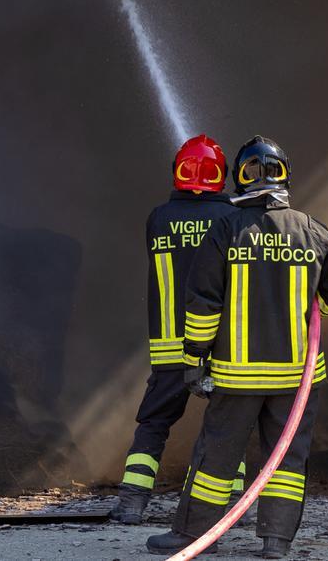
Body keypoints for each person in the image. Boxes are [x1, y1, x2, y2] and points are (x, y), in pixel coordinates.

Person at [146, 136, 328, 559]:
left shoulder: (225, 229)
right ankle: (276, 542)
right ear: (286, 177)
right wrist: (309, 311)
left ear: (240, 179)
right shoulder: (313, 230)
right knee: (286, 459)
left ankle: (197, 536)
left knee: (216, 457)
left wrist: (194, 359)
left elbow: (203, 303)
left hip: (237, 375)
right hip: (297, 378)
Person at [109, 134, 242, 524]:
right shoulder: (232, 220)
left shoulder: (158, 218)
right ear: (221, 176)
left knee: (154, 422)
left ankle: (132, 502)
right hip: (221, 345)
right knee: (227, 425)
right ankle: (231, 504)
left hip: (171, 347)